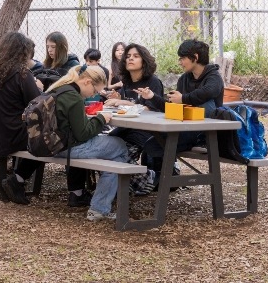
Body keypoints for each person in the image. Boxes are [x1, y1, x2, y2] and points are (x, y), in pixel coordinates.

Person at [0, 32, 89, 207]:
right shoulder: (21, 74)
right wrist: (40, 88)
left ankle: (18, 179)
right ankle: (76, 192)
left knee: (41, 136)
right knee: (66, 135)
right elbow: (39, 107)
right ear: (22, 53)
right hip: (12, 135)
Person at [47, 64, 130, 221]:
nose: (93, 95)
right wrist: (101, 119)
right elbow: (83, 134)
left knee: (116, 158)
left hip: (51, 145)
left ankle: (100, 208)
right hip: (67, 148)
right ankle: (99, 208)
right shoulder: (74, 97)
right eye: (95, 91)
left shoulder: (59, 88)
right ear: (87, 82)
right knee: (120, 146)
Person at [140, 39, 224, 151]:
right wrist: (152, 97)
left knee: (206, 103)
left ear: (195, 57)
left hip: (208, 133)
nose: (180, 62)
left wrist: (183, 98)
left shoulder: (214, 76)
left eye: (182, 58)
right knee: (151, 145)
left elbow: (209, 91)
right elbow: (172, 106)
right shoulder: (184, 79)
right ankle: (159, 169)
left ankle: (203, 141)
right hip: (184, 127)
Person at [104, 43, 165, 187]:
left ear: (144, 61)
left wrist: (124, 103)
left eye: (136, 56)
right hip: (126, 128)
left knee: (121, 159)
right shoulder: (127, 82)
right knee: (105, 151)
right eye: (128, 56)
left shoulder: (153, 82)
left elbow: (152, 110)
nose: (130, 59)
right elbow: (128, 106)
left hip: (146, 131)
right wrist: (118, 101)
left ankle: (152, 178)